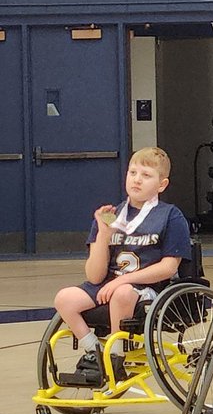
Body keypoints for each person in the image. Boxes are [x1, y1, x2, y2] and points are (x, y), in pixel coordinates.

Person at [52, 147, 191, 386]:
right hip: (106, 285)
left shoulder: (170, 216)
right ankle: (93, 351)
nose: (137, 179)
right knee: (65, 298)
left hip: (146, 290)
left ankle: (115, 357)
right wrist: (103, 235)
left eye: (146, 175)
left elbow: (169, 267)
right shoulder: (110, 215)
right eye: (132, 172)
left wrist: (122, 280)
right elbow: (94, 276)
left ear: (162, 184)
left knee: (122, 292)